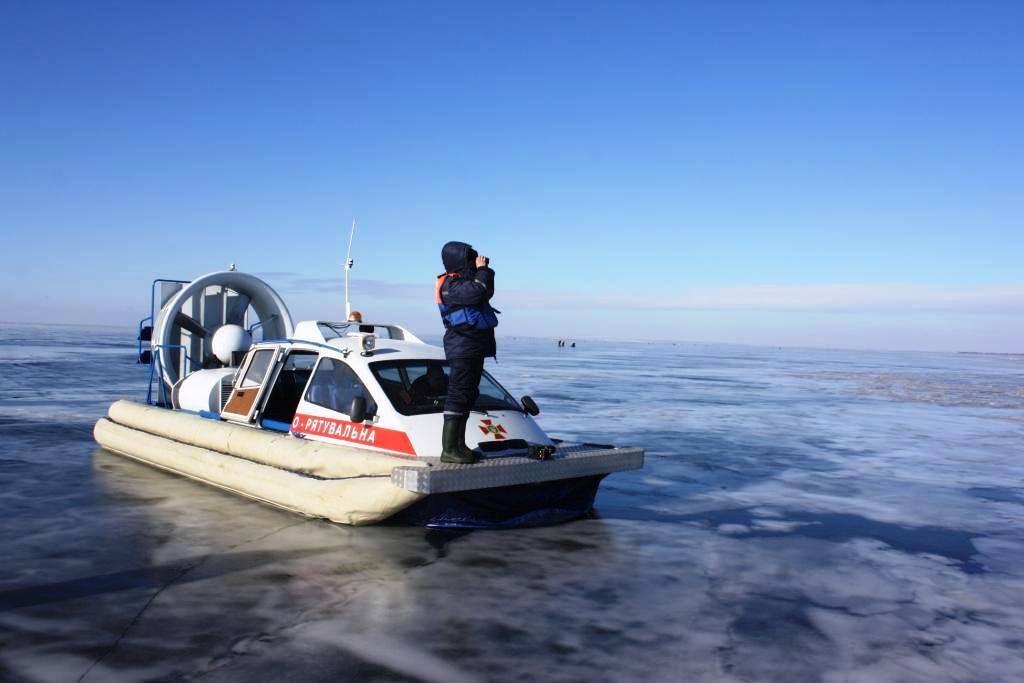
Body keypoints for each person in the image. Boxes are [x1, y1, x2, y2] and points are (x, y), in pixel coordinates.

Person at [434, 241, 498, 463]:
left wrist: (481, 271)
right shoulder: (452, 285)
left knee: (468, 395)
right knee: (458, 394)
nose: (474, 261)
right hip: (463, 347)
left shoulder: (463, 283)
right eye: (469, 259)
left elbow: (483, 291)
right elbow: (479, 292)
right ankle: (450, 449)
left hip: (472, 346)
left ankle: (459, 446)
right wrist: (482, 270)